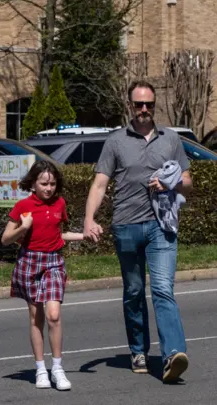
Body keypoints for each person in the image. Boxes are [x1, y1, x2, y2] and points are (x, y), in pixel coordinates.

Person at [83, 80, 193, 383]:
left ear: (154, 106)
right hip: (126, 226)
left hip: (162, 227)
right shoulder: (116, 141)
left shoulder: (170, 139)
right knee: (133, 292)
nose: (144, 110)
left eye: (149, 105)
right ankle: (138, 350)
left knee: (162, 289)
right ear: (130, 106)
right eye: (138, 105)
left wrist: (171, 183)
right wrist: (88, 219)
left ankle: (173, 354)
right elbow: (100, 184)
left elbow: (188, 181)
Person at [1, 160, 84, 391]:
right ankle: (41, 369)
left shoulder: (60, 203)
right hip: (29, 262)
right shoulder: (23, 206)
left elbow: (60, 233)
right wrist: (23, 228)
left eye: (52, 184)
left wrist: (84, 235)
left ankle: (57, 369)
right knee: (36, 318)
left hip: (54, 262)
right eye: (44, 183)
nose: (48, 188)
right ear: (33, 183)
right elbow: (6, 239)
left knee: (54, 315)